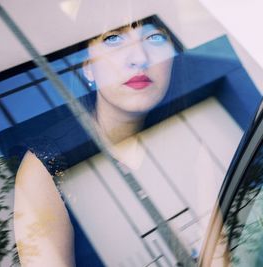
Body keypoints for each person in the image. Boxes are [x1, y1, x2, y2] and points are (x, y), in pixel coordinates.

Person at [14, 17, 179, 266]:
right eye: (113, 38)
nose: (139, 57)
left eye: (155, 37)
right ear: (88, 67)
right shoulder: (44, 165)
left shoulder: (193, 126)